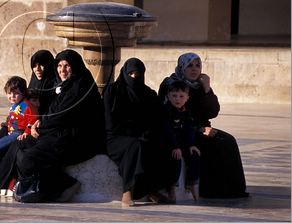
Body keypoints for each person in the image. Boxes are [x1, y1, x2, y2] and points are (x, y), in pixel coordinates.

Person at [0, 49, 106, 202]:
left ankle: (65, 183)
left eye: (67, 65)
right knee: (18, 144)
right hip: (59, 131)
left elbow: (62, 115)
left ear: (75, 66)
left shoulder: (79, 86)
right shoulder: (67, 85)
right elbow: (55, 112)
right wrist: (38, 124)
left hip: (78, 139)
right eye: (59, 65)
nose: (62, 70)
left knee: (28, 159)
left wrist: (38, 127)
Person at [158, 52, 248, 199]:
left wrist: (207, 89)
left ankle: (233, 189)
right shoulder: (170, 84)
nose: (194, 69)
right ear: (182, 67)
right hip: (180, 131)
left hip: (201, 127)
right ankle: (212, 189)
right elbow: (168, 114)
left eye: (197, 65)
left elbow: (213, 111)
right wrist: (198, 129)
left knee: (228, 140)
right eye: (190, 66)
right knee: (214, 145)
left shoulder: (199, 85)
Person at [103, 58, 172, 207]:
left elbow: (156, 120)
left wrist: (146, 132)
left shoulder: (148, 94)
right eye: (131, 73)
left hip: (140, 134)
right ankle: (128, 191)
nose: (134, 77)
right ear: (125, 72)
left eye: (138, 74)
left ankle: (152, 189)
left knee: (157, 143)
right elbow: (110, 123)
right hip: (116, 137)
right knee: (135, 146)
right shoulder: (112, 91)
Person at [163, 80, 201, 202]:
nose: (177, 99)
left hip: (182, 144)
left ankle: (192, 183)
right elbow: (167, 131)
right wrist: (174, 146)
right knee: (176, 158)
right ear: (168, 96)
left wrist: (191, 145)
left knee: (194, 155)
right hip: (169, 144)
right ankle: (172, 186)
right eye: (174, 96)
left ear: (187, 98)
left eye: (181, 96)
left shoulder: (186, 112)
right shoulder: (166, 111)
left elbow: (190, 129)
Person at [27, 50, 57, 116]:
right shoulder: (34, 82)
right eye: (34, 66)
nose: (37, 69)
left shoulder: (56, 86)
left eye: (41, 65)